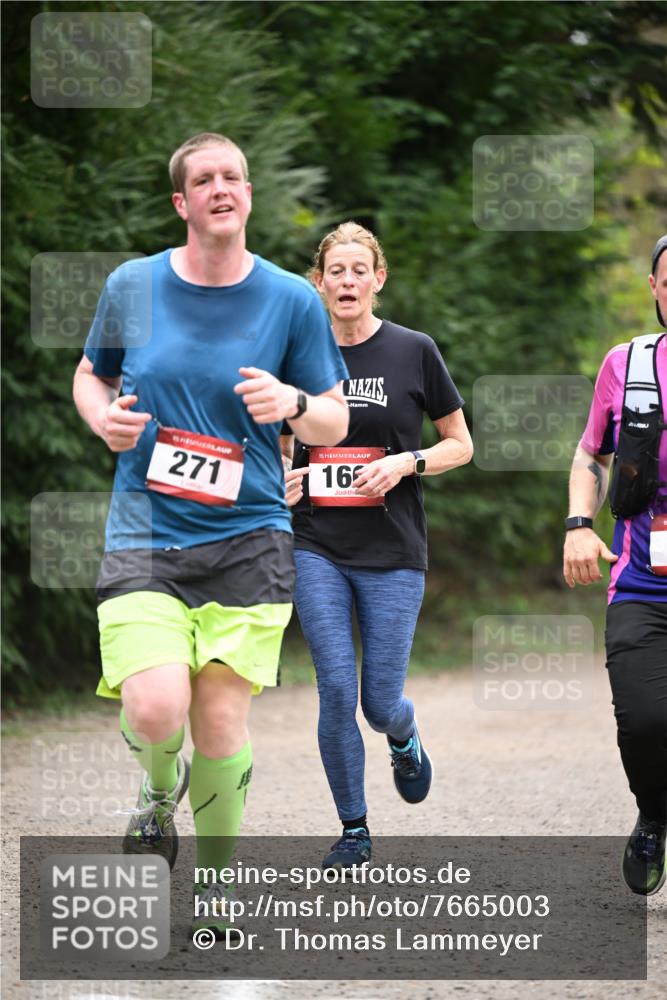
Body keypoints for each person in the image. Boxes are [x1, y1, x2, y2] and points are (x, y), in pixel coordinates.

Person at [72, 132, 349, 933]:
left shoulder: (293, 300)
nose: (219, 187)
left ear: (249, 195)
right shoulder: (134, 284)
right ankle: (158, 795)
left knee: (220, 718)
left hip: (252, 533)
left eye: (232, 176)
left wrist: (293, 405)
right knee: (157, 708)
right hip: (146, 529)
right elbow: (92, 374)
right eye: (203, 179)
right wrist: (106, 423)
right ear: (182, 203)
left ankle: (218, 888)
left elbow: (334, 417)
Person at [281, 222, 473, 868]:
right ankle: (354, 828)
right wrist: (284, 478)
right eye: (335, 270)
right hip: (317, 545)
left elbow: (460, 442)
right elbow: (280, 442)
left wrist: (406, 463)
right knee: (335, 688)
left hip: (392, 551)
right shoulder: (299, 356)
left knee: (377, 702)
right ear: (318, 282)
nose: (347, 281)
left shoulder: (412, 350)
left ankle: (404, 733)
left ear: (377, 279)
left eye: (359, 269)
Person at [563, 234, 667, 896]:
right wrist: (577, 523)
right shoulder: (625, 364)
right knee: (645, 718)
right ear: (656, 289)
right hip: (640, 582)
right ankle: (653, 815)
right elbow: (589, 456)